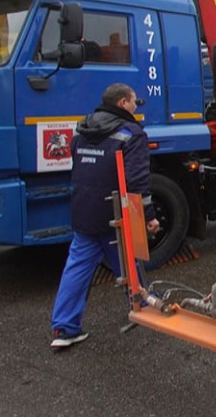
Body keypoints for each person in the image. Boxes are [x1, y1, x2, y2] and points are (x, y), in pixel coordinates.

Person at [50, 83, 159, 349]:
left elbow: (78, 166)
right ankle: (145, 306)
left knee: (77, 267)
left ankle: (64, 328)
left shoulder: (83, 128)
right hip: (113, 214)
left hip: (84, 209)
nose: (136, 107)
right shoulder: (131, 134)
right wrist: (148, 215)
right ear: (123, 103)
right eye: (134, 102)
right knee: (127, 259)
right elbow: (136, 181)